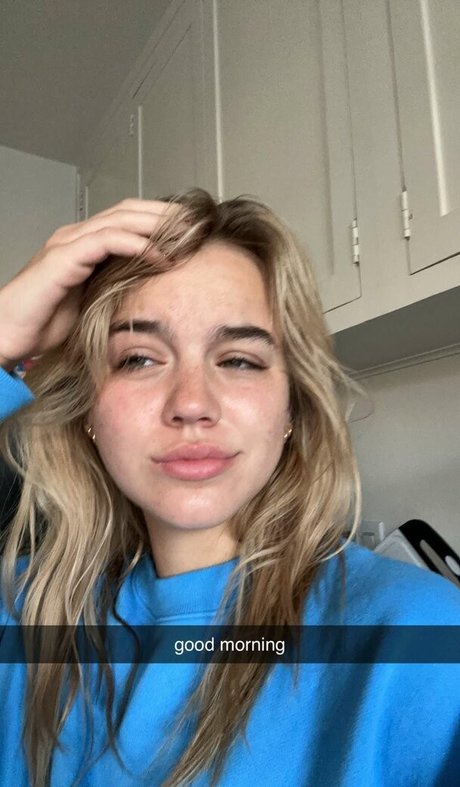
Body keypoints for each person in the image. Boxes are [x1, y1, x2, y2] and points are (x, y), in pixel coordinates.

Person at [0, 189, 459, 787]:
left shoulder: (421, 637)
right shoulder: (27, 611)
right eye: (139, 359)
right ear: (89, 407)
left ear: (292, 405)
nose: (192, 404)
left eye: (240, 360)